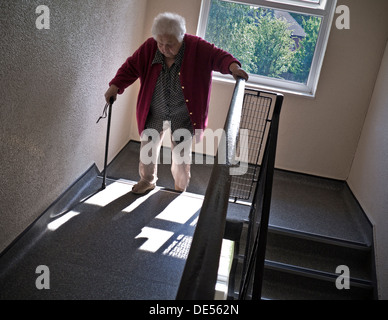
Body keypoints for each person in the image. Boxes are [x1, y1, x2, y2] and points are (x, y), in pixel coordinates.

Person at [105, 12, 248, 195]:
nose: (164, 48)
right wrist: (115, 86)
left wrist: (233, 68)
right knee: (147, 150)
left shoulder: (197, 47)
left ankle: (180, 189)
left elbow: (219, 57)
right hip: (154, 112)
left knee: (180, 158)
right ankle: (147, 181)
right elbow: (130, 67)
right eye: (160, 43)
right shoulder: (150, 48)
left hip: (184, 115)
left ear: (181, 37)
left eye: (170, 44)